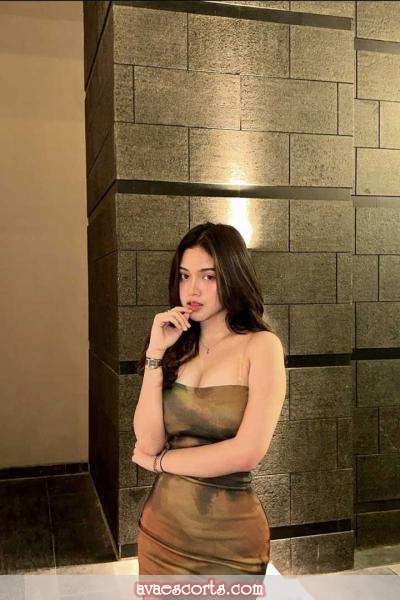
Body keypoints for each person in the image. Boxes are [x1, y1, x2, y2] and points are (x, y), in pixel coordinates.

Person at [132, 222, 287, 576]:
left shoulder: (261, 346)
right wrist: (155, 354)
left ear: (233, 276)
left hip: (230, 543)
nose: (193, 289)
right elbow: (148, 442)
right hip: (162, 534)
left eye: (209, 276)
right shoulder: (176, 348)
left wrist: (160, 463)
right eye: (184, 276)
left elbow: (247, 452)